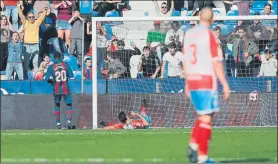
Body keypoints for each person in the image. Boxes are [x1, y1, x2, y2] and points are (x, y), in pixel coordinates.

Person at [183, 8, 230, 163]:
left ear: (198, 17)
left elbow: (186, 59)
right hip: (206, 80)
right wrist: (224, 84)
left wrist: (187, 82)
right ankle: (202, 158)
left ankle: (193, 146)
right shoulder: (210, 35)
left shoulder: (189, 34)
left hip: (193, 79)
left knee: (204, 115)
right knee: (206, 118)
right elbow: (216, 62)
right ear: (213, 20)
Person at [45, 52, 74, 129]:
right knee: (69, 105)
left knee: (57, 105)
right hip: (65, 87)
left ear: (54, 57)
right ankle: (68, 121)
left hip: (56, 88)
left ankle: (58, 123)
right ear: (61, 57)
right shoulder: (66, 65)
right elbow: (71, 76)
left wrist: (52, 82)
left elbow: (47, 79)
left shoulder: (51, 66)